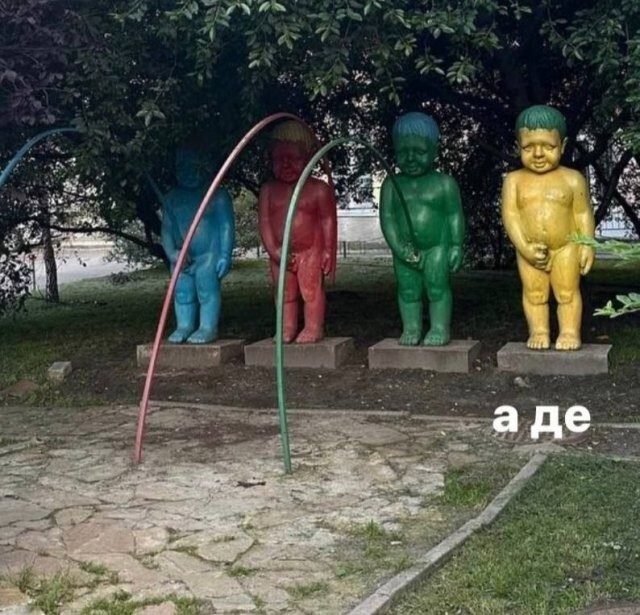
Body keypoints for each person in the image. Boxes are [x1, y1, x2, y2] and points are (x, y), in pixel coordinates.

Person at [501, 105, 595, 351]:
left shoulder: (573, 179)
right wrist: (524, 247)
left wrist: (587, 245)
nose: (538, 154)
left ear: (563, 146)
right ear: (518, 146)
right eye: (528, 147)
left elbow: (583, 213)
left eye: (548, 147)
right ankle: (539, 331)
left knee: (567, 293)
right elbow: (510, 216)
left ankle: (570, 332)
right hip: (529, 249)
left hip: (566, 246)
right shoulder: (513, 181)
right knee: (534, 294)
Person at [380, 112, 465, 346]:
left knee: (437, 288)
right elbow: (387, 219)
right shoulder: (392, 185)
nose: (410, 158)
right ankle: (412, 328)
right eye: (403, 151)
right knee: (408, 291)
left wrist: (456, 245)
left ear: (434, 150)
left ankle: (439, 328)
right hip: (405, 250)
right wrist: (399, 248)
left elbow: (454, 215)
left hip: (437, 247)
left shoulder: (445, 184)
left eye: (419, 151)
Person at [258, 121, 337, 343]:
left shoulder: (319, 190)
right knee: (284, 293)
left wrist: (328, 250)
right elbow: (264, 222)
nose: (286, 165)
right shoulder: (268, 191)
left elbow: (328, 220)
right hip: (280, 253)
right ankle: (286, 327)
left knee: (311, 291)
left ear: (309, 157)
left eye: (293, 158)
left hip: (310, 250)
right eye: (279, 159)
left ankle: (313, 327)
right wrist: (273, 250)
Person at [161, 147, 234, 344]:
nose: (189, 172)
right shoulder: (171, 199)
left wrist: (225, 254)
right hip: (181, 258)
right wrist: (172, 253)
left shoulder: (217, 196)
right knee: (182, 292)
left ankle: (207, 327)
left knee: (207, 290)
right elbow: (166, 230)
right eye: (183, 167)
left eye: (195, 167)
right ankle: (184, 325)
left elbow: (226, 226)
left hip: (208, 255)